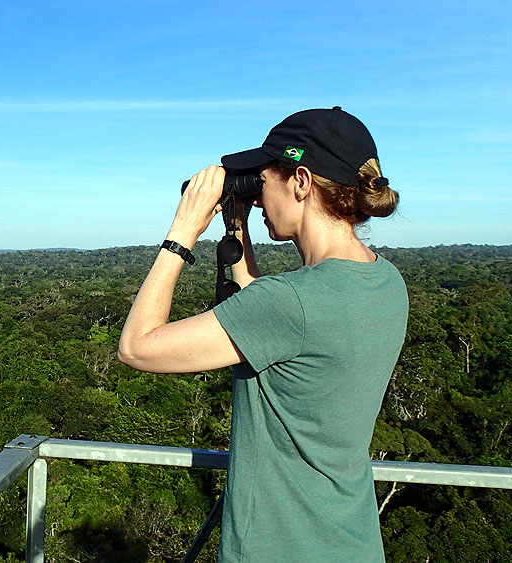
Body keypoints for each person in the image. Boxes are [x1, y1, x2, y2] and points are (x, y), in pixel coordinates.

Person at [118, 107, 407, 562]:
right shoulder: (387, 282)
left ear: (301, 182)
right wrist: (237, 224)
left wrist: (183, 231)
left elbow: (137, 346)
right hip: (351, 541)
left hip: (279, 545)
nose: (258, 195)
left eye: (263, 180)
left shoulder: (291, 303)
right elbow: (276, 326)